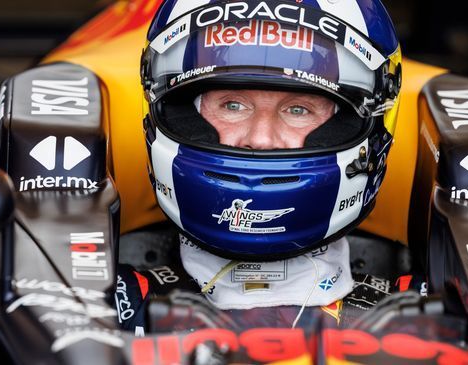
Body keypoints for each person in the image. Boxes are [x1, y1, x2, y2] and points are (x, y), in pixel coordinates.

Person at [115, 0, 411, 334]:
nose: (260, 140)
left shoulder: (425, 316)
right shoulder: (110, 306)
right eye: (232, 105)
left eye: (298, 110)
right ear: (178, 111)